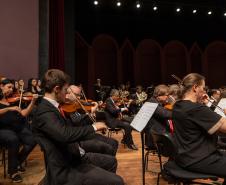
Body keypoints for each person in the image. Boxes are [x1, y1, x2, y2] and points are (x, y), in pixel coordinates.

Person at [32, 69, 124, 185]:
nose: (67, 94)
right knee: (118, 181)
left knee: (111, 162)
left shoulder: (54, 107)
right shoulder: (44, 111)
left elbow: (71, 127)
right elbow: (64, 134)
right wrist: (93, 127)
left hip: (74, 156)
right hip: (64, 168)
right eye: (65, 90)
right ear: (56, 89)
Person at [172, 73, 226, 184]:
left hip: (186, 156)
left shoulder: (178, 105)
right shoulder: (196, 109)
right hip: (200, 159)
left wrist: (204, 103)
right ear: (195, 88)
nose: (205, 91)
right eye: (203, 88)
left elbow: (199, 120)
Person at [0, 78, 37, 183]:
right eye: (9, 87)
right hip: (3, 129)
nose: (11, 90)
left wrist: (33, 102)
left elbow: (24, 113)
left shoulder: (12, 99)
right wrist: (8, 109)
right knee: (13, 139)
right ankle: (13, 172)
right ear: (1, 86)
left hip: (17, 127)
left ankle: (17, 162)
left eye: (12, 87)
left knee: (32, 140)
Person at [66, 85, 118, 156]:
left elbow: (84, 122)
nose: (79, 98)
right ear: (68, 93)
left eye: (79, 95)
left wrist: (91, 116)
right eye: (77, 95)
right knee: (109, 146)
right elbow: (76, 123)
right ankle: (107, 162)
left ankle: (108, 162)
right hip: (79, 138)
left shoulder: (76, 106)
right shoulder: (66, 108)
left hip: (86, 133)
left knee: (114, 143)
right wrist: (88, 115)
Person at [144, 84, 172, 149]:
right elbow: (166, 114)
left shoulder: (153, 101)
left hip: (157, 134)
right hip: (157, 139)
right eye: (167, 95)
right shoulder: (152, 104)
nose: (168, 97)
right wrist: (180, 112)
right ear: (159, 95)